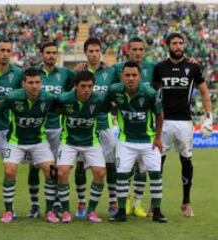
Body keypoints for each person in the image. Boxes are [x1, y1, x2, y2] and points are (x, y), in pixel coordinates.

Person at [153, 32, 213, 217]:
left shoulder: (193, 67)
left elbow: (204, 94)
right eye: (174, 43)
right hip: (164, 122)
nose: (178, 46)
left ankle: (186, 202)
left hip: (185, 123)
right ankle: (155, 205)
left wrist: (209, 117)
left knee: (186, 160)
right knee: (157, 163)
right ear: (168, 45)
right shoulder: (160, 67)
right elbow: (153, 94)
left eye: (180, 43)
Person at [0, 67, 59, 224]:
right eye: (30, 82)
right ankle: (9, 212)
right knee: (9, 171)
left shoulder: (49, 98)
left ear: (41, 83)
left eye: (37, 82)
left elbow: (66, 106)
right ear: (23, 83)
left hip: (39, 142)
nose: (34, 86)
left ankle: (50, 211)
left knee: (51, 172)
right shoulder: (13, 97)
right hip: (15, 141)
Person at [109, 61, 166, 223]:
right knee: (121, 176)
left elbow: (159, 115)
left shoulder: (149, 92)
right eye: (127, 75)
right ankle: (121, 211)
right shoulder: (114, 91)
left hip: (148, 142)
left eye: (134, 75)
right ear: (122, 77)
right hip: (125, 141)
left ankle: (157, 211)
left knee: (156, 175)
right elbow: (103, 104)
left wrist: (158, 137)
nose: (131, 78)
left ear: (140, 77)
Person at [27, 41, 75, 218]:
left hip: (56, 128)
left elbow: (77, 86)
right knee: (33, 167)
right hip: (35, 128)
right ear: (41, 54)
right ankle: (34, 204)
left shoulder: (64, 74)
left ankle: (55, 203)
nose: (51, 55)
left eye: (54, 52)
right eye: (48, 52)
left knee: (53, 168)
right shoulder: (32, 74)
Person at [73, 37, 119, 218]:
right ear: (85, 53)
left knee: (110, 165)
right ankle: (81, 203)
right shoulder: (78, 73)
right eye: (90, 51)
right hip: (83, 126)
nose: (94, 54)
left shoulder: (110, 72)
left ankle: (113, 201)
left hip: (104, 125)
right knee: (80, 165)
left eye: (96, 51)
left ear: (101, 52)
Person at [56, 70, 110, 223]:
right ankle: (66, 211)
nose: (86, 89)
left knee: (100, 173)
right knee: (62, 173)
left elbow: (112, 107)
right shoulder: (64, 99)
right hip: (69, 141)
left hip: (91, 141)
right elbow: (52, 107)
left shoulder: (99, 100)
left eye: (90, 86)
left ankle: (91, 211)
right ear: (75, 86)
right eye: (83, 86)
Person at [112, 37, 156, 217]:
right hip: (126, 127)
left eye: (141, 49)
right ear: (127, 50)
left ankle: (137, 203)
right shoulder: (117, 69)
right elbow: (110, 89)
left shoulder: (153, 67)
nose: (138, 52)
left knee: (142, 168)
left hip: (146, 126)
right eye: (134, 49)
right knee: (125, 167)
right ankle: (127, 200)